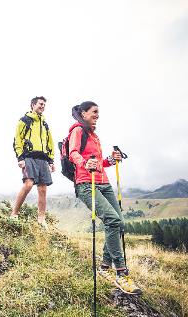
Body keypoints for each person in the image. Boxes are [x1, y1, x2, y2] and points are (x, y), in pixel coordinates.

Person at [69, 101, 141, 295]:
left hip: (104, 182)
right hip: (86, 183)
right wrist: (85, 163)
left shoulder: (94, 136)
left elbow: (98, 163)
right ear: (83, 113)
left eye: (98, 112)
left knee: (120, 223)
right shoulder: (78, 130)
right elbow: (73, 153)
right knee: (112, 219)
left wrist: (110, 160)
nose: (97, 115)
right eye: (94, 112)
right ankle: (121, 272)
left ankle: (104, 266)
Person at [10, 96, 55, 229]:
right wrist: (20, 158)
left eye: (44, 105)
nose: (42, 106)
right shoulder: (24, 121)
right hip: (28, 156)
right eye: (40, 104)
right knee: (28, 184)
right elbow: (17, 140)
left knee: (42, 189)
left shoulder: (45, 124)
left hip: (43, 158)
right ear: (33, 105)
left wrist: (51, 160)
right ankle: (14, 214)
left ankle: (41, 219)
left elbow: (50, 143)